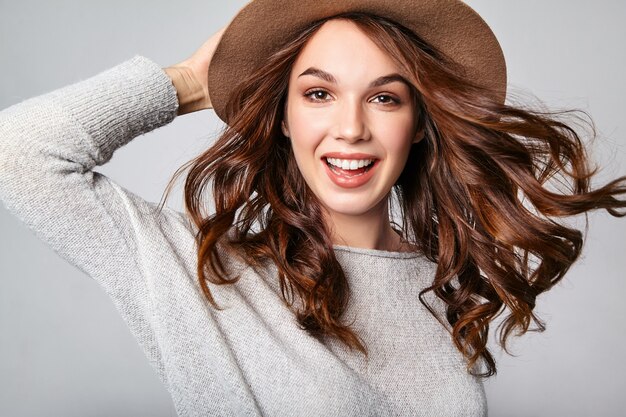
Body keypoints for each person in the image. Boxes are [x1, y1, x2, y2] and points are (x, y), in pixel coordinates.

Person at [0, 1, 625, 416]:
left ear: (421, 125)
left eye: (385, 98)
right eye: (319, 93)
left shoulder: (442, 285)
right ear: (283, 115)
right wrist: (193, 79)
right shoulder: (206, 276)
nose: (350, 128)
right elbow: (17, 153)